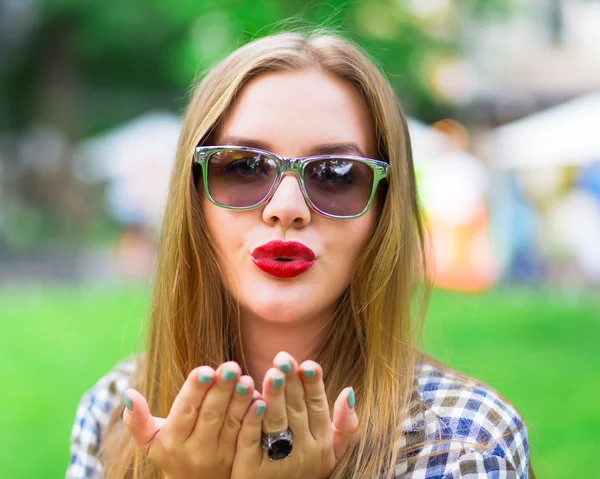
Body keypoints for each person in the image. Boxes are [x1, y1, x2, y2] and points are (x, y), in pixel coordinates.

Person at [67, 30, 532, 479]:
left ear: (383, 212)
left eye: (335, 174)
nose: (285, 209)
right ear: (193, 200)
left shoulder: (461, 442)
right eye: (244, 167)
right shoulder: (116, 410)